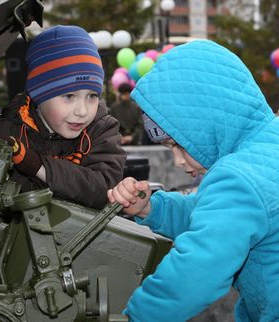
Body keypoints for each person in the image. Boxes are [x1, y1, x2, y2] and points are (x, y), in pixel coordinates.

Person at [107, 40, 279, 322]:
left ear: (210, 120)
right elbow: (216, 219)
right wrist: (152, 209)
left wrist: (138, 316)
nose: (177, 161)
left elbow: (197, 272)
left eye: (179, 144)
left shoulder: (238, 178)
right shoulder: (267, 146)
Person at [0, 25, 125, 209]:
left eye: (92, 96)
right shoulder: (5, 131)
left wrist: (37, 166)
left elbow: (104, 189)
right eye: (68, 96)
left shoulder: (101, 129)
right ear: (39, 95)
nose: (82, 111)